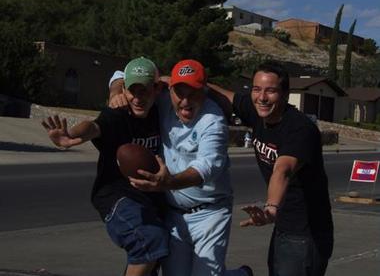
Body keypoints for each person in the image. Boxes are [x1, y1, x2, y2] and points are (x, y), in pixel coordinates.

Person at [108, 59, 253, 276]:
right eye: (179, 93)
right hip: (173, 214)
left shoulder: (213, 121)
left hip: (209, 212)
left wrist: (169, 183)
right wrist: (116, 91)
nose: (185, 101)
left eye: (193, 93)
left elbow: (207, 167)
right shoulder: (164, 98)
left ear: (204, 91)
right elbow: (121, 72)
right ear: (169, 90)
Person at [42, 57, 169, 276]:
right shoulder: (118, 113)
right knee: (149, 240)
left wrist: (116, 86)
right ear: (126, 90)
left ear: (156, 89)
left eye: (145, 91)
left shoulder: (162, 109)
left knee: (157, 257)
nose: (138, 98)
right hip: (116, 196)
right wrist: (71, 136)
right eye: (133, 90)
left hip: (150, 197)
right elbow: (93, 126)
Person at [207, 61, 334, 276]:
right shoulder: (257, 111)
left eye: (271, 91)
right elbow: (220, 94)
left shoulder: (300, 129)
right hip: (284, 226)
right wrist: (166, 81)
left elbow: (282, 170)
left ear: (285, 94)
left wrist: (272, 207)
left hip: (307, 233)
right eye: (256, 89)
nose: (262, 97)